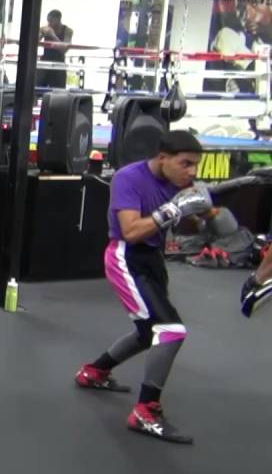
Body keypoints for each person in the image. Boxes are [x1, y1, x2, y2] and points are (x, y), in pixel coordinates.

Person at [75, 130, 212, 445]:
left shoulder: (179, 184)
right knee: (170, 330)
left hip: (152, 260)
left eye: (195, 165)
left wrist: (208, 217)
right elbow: (131, 230)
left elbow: (195, 223)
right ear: (163, 157)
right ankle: (146, 412)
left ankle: (94, 372)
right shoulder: (129, 178)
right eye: (185, 163)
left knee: (147, 332)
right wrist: (174, 209)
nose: (191, 172)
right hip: (125, 257)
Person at [38, 9, 74, 90]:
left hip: (59, 64)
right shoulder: (45, 29)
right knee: (36, 90)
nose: (49, 23)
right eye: (48, 21)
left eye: (51, 21)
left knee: (58, 92)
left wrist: (53, 35)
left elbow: (64, 50)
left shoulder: (68, 31)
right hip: (45, 63)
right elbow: (33, 43)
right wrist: (41, 34)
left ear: (58, 19)